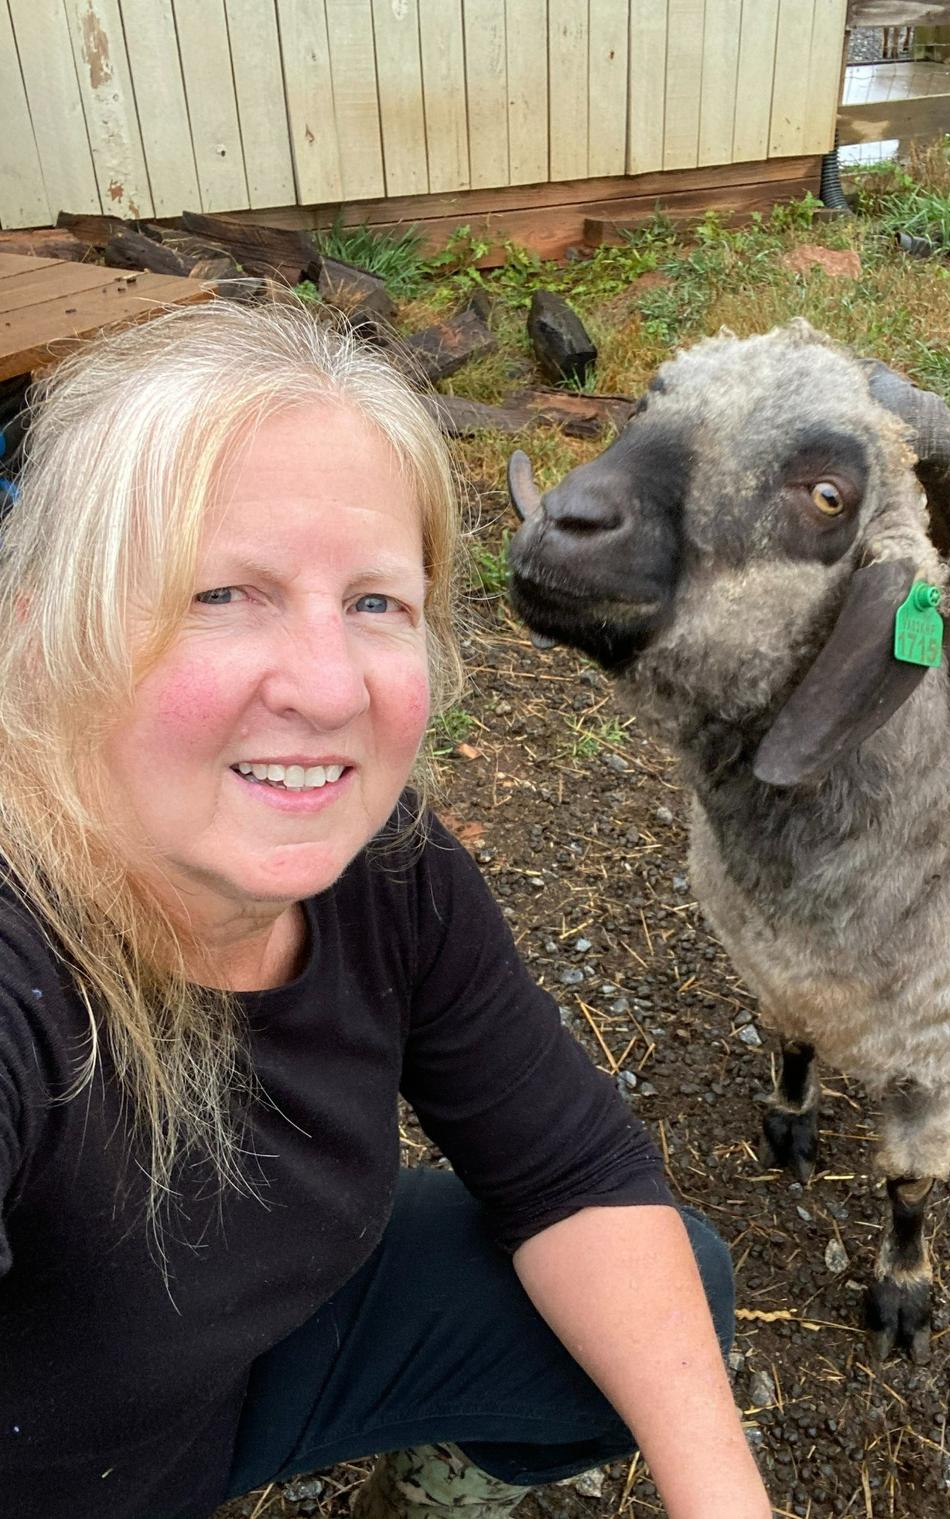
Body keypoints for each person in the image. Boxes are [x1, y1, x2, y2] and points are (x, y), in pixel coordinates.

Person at [0, 300, 773, 1519]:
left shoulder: (390, 873)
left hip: (232, 1386)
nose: (327, 688)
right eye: (221, 592)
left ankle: (431, 1491)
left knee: (678, 1288)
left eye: (375, 603)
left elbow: (573, 1172)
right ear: (43, 635)